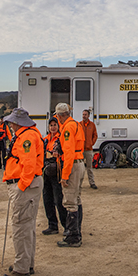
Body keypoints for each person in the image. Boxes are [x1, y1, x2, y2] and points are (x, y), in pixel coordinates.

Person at [2, 108, 44, 276]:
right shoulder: (29, 134)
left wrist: (21, 186)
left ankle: (21, 268)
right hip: (29, 184)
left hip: (25, 186)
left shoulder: (26, 137)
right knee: (27, 227)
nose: (10, 125)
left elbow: (28, 164)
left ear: (17, 123)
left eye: (12, 122)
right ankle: (26, 264)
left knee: (21, 227)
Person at [55, 103, 85, 248]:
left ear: (61, 115)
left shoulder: (67, 127)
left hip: (72, 165)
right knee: (77, 199)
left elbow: (68, 154)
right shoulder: (77, 124)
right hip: (80, 163)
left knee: (70, 202)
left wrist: (65, 175)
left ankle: (73, 236)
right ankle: (76, 232)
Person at [42, 117, 67, 235]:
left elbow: (63, 153)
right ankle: (52, 225)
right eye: (51, 125)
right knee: (47, 199)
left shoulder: (60, 139)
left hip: (56, 171)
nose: (53, 127)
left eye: (55, 125)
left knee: (59, 200)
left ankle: (66, 226)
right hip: (46, 171)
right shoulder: (45, 140)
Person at [81, 110, 98, 189]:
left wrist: (91, 143)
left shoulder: (92, 125)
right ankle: (79, 184)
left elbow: (95, 135)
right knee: (80, 168)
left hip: (89, 149)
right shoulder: (79, 125)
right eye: (83, 114)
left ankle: (92, 183)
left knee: (89, 167)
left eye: (85, 114)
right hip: (80, 150)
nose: (84, 116)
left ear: (88, 116)